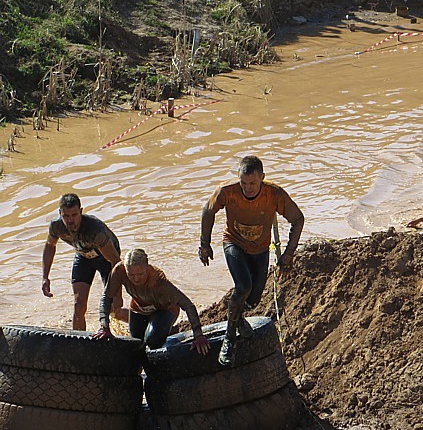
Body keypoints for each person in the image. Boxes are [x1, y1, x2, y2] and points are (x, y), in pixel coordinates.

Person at [199, 155, 304, 366]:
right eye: (243, 183)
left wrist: (289, 254)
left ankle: (238, 318)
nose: (247, 188)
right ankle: (229, 339)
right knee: (243, 285)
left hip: (260, 248)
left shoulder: (274, 194)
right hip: (234, 242)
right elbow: (208, 211)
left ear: (262, 178)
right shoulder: (227, 191)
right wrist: (204, 243)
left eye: (253, 183)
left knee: (254, 298)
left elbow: (298, 219)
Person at [94, 248, 210, 354]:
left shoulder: (158, 280)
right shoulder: (119, 271)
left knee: (153, 341)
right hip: (139, 308)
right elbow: (106, 298)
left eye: (140, 274)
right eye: (131, 275)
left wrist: (198, 334)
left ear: (147, 268)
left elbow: (187, 304)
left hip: (165, 310)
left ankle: (167, 333)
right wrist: (104, 327)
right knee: (136, 343)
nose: (136, 279)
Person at [41, 193, 127, 330]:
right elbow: (50, 246)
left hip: (106, 259)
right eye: (66, 216)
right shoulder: (56, 226)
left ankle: (144, 320)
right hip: (83, 256)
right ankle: (78, 344)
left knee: (114, 309)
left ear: (81, 211)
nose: (70, 221)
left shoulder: (95, 231)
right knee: (79, 305)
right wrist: (45, 276)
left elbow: (116, 262)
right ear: (60, 213)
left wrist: (118, 295)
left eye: (74, 215)